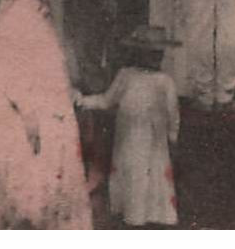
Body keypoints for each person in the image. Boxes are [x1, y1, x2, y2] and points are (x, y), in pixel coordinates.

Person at [0, 0, 93, 230]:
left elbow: (45, 59)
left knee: (47, 177)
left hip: (44, 102)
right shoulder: (20, 15)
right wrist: (32, 118)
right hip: (26, 111)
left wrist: (66, 91)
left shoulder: (36, 10)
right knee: (27, 177)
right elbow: (12, 74)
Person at [76, 26, 183, 227]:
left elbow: (173, 114)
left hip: (154, 141)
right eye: (149, 53)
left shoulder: (164, 82)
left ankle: (150, 215)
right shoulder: (126, 76)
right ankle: (131, 215)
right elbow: (108, 100)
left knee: (151, 173)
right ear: (137, 52)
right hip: (128, 138)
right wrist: (84, 101)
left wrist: (173, 137)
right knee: (132, 171)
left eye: (158, 54)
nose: (154, 58)